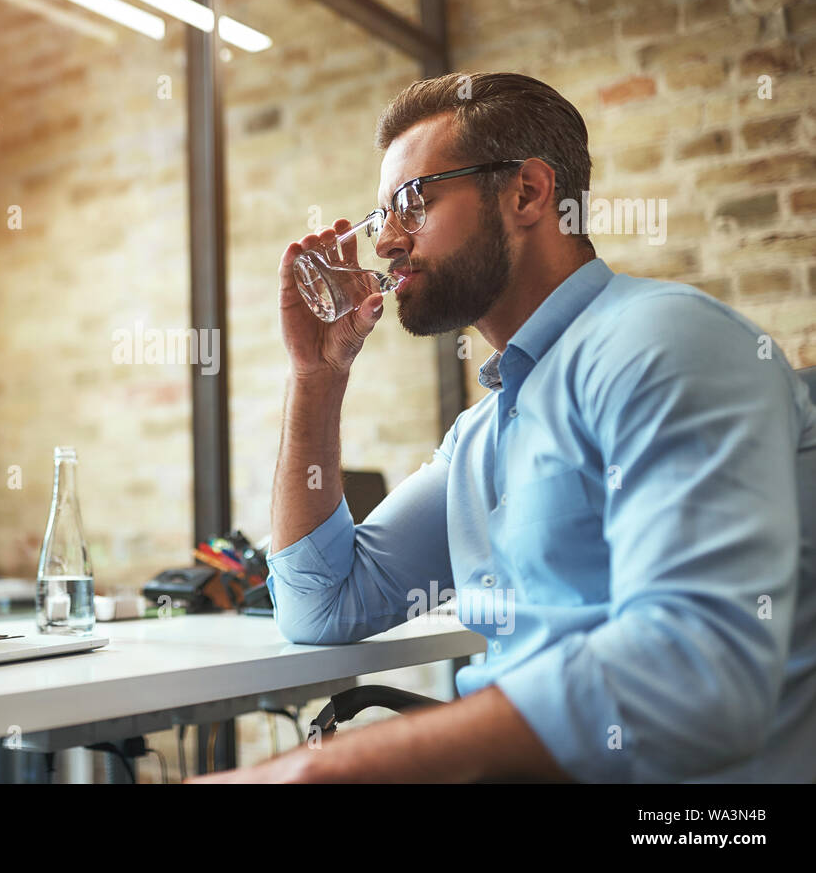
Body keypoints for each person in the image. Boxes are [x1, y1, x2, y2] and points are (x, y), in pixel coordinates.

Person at [193, 72, 816, 783]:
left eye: (412, 203)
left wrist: (314, 771)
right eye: (382, 216)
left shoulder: (665, 343)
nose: (389, 241)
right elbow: (319, 605)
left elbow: (698, 675)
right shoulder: (485, 433)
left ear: (526, 192)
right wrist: (317, 375)